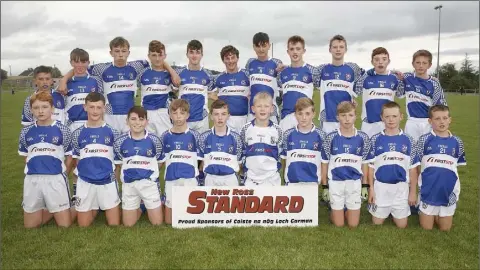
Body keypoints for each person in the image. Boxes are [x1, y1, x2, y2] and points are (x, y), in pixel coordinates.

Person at [58, 36, 150, 133]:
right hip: (109, 116)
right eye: (117, 51)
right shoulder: (101, 68)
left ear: (128, 52)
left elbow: (157, 64)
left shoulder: (137, 66)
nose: (120, 54)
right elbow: (80, 68)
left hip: (129, 115)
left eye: (123, 51)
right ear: (111, 53)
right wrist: (64, 80)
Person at [18, 91, 73, 228]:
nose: (40, 111)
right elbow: (26, 155)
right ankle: (50, 207)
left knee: (65, 225)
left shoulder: (63, 129)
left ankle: (70, 206)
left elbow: (70, 155)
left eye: (44, 107)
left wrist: (63, 172)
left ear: (52, 108)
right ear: (31, 110)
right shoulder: (26, 131)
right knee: (30, 226)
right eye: (36, 108)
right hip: (33, 180)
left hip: (55, 179)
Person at [71, 92, 121, 227]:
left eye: (99, 107)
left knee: (114, 224)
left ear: (104, 108)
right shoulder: (77, 133)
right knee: (83, 225)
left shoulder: (113, 132)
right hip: (86, 181)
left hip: (107, 181)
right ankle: (92, 205)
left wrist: (115, 182)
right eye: (91, 107)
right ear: (85, 107)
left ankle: (101, 203)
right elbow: (77, 161)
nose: (95, 111)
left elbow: (117, 163)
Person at [366, 101, 419, 228]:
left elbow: (413, 169)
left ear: (401, 116)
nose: (391, 120)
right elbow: (370, 168)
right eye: (387, 116)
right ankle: (383, 208)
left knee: (402, 225)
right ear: (382, 118)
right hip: (381, 188)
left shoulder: (409, 140)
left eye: (394, 116)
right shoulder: (375, 139)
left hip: (401, 188)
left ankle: (396, 209)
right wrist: (371, 189)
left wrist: (413, 192)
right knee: (376, 223)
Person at [416, 105, 466, 231]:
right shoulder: (424, 140)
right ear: (430, 121)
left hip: (448, 189)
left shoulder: (457, 141)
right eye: (437, 119)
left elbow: (456, 165)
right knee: (427, 228)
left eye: (445, 118)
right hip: (429, 188)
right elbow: (417, 163)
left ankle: (442, 211)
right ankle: (426, 209)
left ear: (450, 119)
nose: (442, 121)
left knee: (445, 229)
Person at [321, 101, 370, 228]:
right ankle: (336, 209)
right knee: (339, 224)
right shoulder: (331, 137)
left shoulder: (363, 137)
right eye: (343, 115)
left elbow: (365, 163)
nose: (347, 119)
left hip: (354, 182)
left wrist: (365, 185)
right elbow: (324, 162)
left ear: (356, 116)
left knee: (353, 225)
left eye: (350, 115)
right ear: (338, 117)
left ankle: (346, 208)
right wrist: (325, 186)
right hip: (336, 182)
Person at [113, 106, 163, 226]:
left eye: (141, 119)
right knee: (128, 224)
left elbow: (160, 162)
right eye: (133, 119)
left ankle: (146, 204)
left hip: (149, 185)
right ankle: (140, 207)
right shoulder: (119, 141)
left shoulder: (155, 140)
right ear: (127, 121)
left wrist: (149, 176)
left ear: (147, 121)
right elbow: (119, 164)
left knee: (157, 223)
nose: (137, 123)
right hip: (129, 185)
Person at [159, 99, 202, 224]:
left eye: (182, 113)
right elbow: (161, 161)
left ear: (187, 115)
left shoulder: (195, 136)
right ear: (170, 115)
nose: (178, 117)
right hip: (171, 178)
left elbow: (201, 161)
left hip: (189, 179)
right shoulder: (165, 136)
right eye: (175, 113)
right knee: (168, 222)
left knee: (191, 220)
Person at [317, 35, 365, 134]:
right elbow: (303, 71)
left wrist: (391, 72)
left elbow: (367, 75)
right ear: (330, 49)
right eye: (335, 47)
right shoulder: (321, 69)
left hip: (347, 119)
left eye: (341, 47)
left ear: (345, 49)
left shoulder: (353, 68)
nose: (338, 50)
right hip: (327, 119)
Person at [353, 47, 404, 138]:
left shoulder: (394, 78)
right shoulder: (365, 77)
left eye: (384, 59)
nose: (380, 62)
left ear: (388, 61)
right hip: (368, 124)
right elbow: (355, 91)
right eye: (377, 59)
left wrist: (401, 79)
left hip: (387, 124)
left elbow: (400, 94)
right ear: (372, 62)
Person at [398, 50, 448, 141]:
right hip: (411, 122)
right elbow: (399, 94)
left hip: (428, 122)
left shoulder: (434, 83)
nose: (421, 65)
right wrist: (400, 80)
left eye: (424, 63)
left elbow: (441, 106)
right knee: (411, 152)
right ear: (413, 64)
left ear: (429, 65)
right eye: (418, 62)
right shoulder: (406, 77)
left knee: (428, 153)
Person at [278, 35, 321, 132]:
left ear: (303, 51)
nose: (295, 52)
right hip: (286, 118)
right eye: (292, 49)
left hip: (304, 118)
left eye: (298, 49)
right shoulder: (282, 72)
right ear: (288, 52)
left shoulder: (312, 71)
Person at [172, 39, 216, 134]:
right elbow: (172, 93)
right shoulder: (179, 73)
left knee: (201, 148)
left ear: (201, 55)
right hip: (183, 120)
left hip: (201, 120)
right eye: (191, 52)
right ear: (187, 54)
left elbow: (212, 95)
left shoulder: (208, 75)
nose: (194, 55)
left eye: (197, 52)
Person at [240, 92, 283, 186]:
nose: (262, 109)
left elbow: (280, 154)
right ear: (253, 109)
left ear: (272, 109)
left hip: (272, 180)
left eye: (266, 106)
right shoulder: (246, 129)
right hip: (251, 180)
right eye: (259, 106)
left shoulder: (277, 130)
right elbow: (242, 152)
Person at [140, 40, 181, 138]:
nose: (157, 59)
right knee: (148, 143)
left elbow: (177, 83)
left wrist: (168, 67)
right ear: (149, 56)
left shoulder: (169, 74)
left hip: (164, 113)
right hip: (147, 113)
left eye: (160, 55)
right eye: (154, 55)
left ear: (165, 56)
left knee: (166, 142)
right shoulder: (142, 73)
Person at [281, 97, 327, 185]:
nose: (304, 117)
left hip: (312, 183)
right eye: (300, 114)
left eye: (307, 113)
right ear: (295, 115)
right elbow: (284, 160)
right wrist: (285, 178)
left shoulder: (321, 136)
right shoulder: (288, 134)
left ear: (313, 114)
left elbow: (324, 162)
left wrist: (324, 184)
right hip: (291, 183)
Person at [199, 100, 243, 186]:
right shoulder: (203, 137)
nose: (220, 118)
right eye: (216, 114)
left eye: (223, 114)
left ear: (228, 116)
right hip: (210, 178)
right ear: (211, 116)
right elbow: (201, 161)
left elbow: (239, 161)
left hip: (230, 178)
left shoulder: (236, 138)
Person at [245, 32, 284, 124]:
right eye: (258, 46)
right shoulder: (250, 63)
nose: (261, 49)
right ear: (254, 47)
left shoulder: (276, 63)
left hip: (271, 111)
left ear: (269, 46)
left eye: (264, 46)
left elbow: (282, 86)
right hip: (253, 112)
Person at [210, 45, 250, 132]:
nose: (230, 61)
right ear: (223, 60)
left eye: (233, 57)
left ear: (237, 58)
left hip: (245, 118)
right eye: (227, 58)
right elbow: (206, 91)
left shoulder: (247, 75)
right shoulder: (218, 78)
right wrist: (217, 98)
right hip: (226, 120)